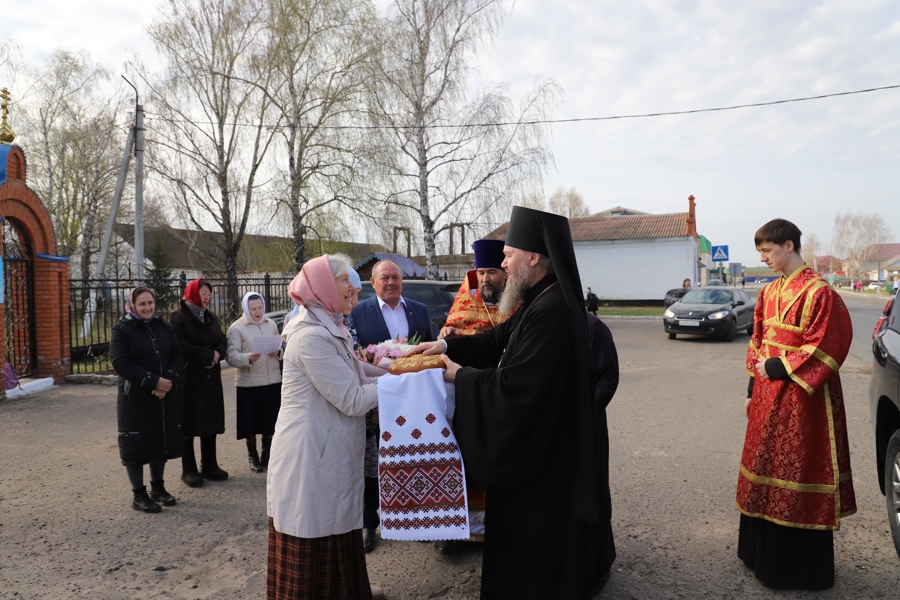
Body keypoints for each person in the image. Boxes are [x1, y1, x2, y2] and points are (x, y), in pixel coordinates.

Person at [408, 206, 616, 599]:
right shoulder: (541, 299)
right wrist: (445, 344)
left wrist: (460, 377)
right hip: (548, 438)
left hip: (546, 453)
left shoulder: (552, 310)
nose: (501, 261)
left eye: (508, 253)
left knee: (537, 539)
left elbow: (517, 385)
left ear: (534, 258)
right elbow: (494, 342)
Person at [737, 218, 855, 590]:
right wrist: (751, 389)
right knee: (763, 462)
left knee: (797, 467)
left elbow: (830, 343)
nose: (765, 258)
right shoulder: (769, 292)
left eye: (768, 251)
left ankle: (795, 568)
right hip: (766, 398)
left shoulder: (820, 292)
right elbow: (757, 342)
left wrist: (777, 366)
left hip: (803, 399)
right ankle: (758, 555)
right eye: (760, 252)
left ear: (789, 246)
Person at [266, 254, 382, 600]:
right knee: (315, 532)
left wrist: (401, 371)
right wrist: (403, 387)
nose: (354, 287)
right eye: (346, 281)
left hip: (327, 448)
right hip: (310, 456)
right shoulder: (311, 337)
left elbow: (357, 371)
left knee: (336, 528)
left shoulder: (328, 325)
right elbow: (352, 397)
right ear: (325, 287)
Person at [350, 258, 435, 552]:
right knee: (373, 464)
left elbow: (430, 353)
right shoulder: (358, 313)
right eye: (384, 277)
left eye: (396, 277)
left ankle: (414, 517)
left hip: (414, 403)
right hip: (376, 401)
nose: (391, 282)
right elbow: (356, 359)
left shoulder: (419, 310)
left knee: (413, 458)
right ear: (372, 283)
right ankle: (368, 523)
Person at [435, 238, 511, 554]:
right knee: (463, 459)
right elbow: (447, 332)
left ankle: (502, 529)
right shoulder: (466, 301)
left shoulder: (521, 304)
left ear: (506, 273)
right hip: (469, 394)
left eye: (492, 271)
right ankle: (458, 531)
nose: (485, 279)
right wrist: (448, 335)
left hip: (505, 394)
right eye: (481, 272)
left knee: (503, 462)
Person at [110, 287, 184, 513]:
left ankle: (158, 488)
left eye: (150, 302)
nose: (147, 307)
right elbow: (119, 362)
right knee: (135, 445)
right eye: (142, 304)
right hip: (136, 398)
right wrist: (153, 381)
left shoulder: (163, 326)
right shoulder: (122, 329)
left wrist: (168, 380)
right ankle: (139, 495)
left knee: (158, 441)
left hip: (163, 395)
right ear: (132, 304)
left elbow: (178, 354)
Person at [170, 279, 229, 487]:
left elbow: (223, 341)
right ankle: (189, 469)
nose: (206, 297)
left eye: (209, 294)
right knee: (189, 422)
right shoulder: (178, 317)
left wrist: (216, 356)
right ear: (192, 293)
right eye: (203, 293)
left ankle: (210, 465)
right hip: (189, 377)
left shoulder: (211, 317)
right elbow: (180, 345)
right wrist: (206, 355)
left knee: (210, 420)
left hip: (211, 377)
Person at [226, 292, 283, 473]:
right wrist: (247, 358)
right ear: (246, 309)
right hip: (249, 382)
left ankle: (267, 452)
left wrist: (278, 352)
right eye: (253, 309)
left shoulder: (271, 324)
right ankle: (253, 455)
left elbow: (280, 346)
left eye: (260, 308)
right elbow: (231, 356)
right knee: (250, 421)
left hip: (271, 379)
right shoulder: (237, 328)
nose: (257, 312)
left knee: (269, 419)